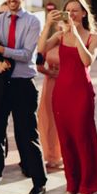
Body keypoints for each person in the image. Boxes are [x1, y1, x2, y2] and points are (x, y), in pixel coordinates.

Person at [39, 0, 97, 194]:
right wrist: (47, 25)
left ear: (84, 14)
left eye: (76, 10)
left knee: (82, 139)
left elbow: (87, 61)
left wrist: (75, 35)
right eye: (68, 10)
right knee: (66, 141)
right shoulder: (59, 35)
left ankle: (86, 187)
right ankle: (71, 185)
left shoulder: (94, 37)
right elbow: (40, 49)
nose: (72, 14)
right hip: (61, 92)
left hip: (81, 93)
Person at [0, 0, 47, 194]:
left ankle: (39, 182)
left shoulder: (32, 22)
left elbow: (27, 54)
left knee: (27, 134)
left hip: (23, 84)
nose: (11, 0)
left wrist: (0, 49)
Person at [37, 29, 62, 168]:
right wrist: (49, 72)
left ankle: (66, 154)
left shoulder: (74, 43)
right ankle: (52, 155)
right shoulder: (49, 45)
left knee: (66, 118)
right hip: (51, 83)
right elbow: (39, 64)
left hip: (67, 83)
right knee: (50, 118)